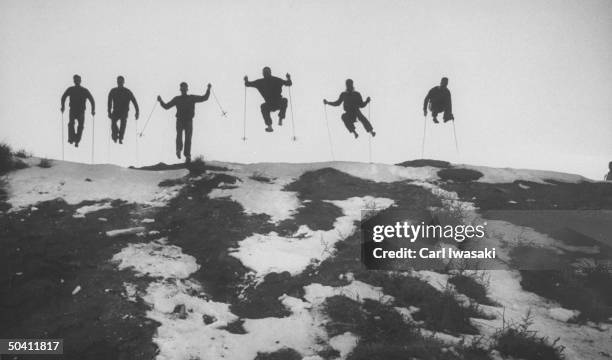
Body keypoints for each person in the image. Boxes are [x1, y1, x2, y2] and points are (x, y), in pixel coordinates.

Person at [157, 82, 211, 163]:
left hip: (184, 120)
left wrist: (208, 89)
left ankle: (183, 152)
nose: (183, 90)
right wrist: (208, 89)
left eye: (184, 88)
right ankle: (185, 154)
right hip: (184, 120)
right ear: (184, 89)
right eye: (183, 88)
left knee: (183, 136)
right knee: (186, 137)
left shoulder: (180, 98)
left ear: (183, 90)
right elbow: (204, 98)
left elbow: (166, 106)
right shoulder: (189, 98)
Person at [244, 67, 292, 132]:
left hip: (270, 104)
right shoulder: (276, 80)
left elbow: (248, 84)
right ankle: (280, 118)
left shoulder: (260, 82)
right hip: (278, 103)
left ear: (263, 74)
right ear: (270, 72)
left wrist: (246, 80)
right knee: (284, 100)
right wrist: (288, 78)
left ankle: (270, 125)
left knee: (264, 106)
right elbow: (288, 83)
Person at [61, 74, 95, 147]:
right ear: (74, 81)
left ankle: (76, 140)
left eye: (78, 80)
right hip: (73, 110)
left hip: (81, 111)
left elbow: (92, 100)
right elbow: (63, 97)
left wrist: (93, 110)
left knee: (80, 126)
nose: (76, 81)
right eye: (75, 80)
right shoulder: (71, 89)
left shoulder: (84, 90)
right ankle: (71, 138)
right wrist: (63, 106)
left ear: (80, 81)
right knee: (71, 124)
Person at [107, 76, 139, 144]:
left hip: (124, 112)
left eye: (121, 82)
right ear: (117, 82)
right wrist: (109, 112)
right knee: (113, 123)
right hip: (115, 111)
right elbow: (109, 102)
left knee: (123, 123)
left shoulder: (127, 92)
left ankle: (120, 138)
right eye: (119, 82)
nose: (120, 83)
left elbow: (134, 101)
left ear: (123, 82)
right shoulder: (113, 91)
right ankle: (115, 136)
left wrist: (137, 112)